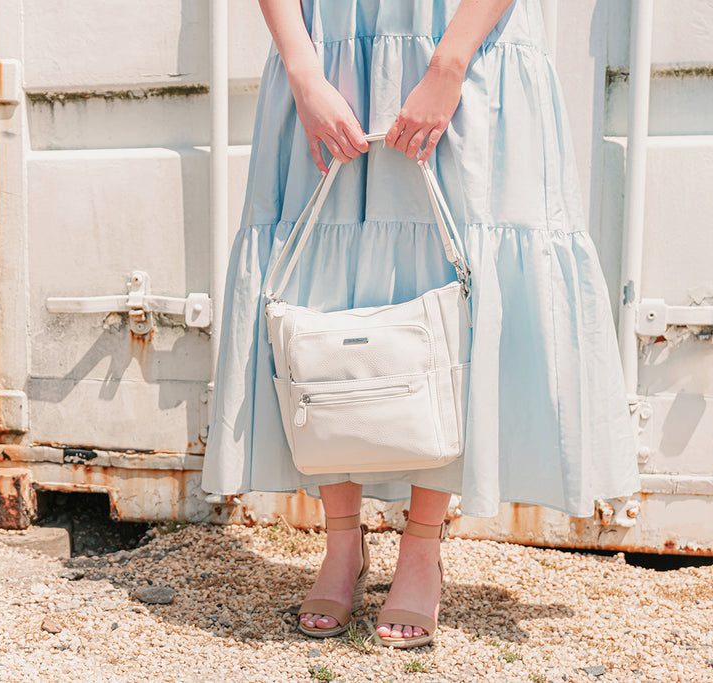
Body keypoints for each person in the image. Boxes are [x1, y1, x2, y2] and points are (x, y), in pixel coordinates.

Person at [201, 0, 640, 648]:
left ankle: (422, 544)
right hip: (333, 41)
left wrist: (450, 60)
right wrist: (300, 66)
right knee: (322, 284)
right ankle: (341, 539)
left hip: (461, 36)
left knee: (451, 283)